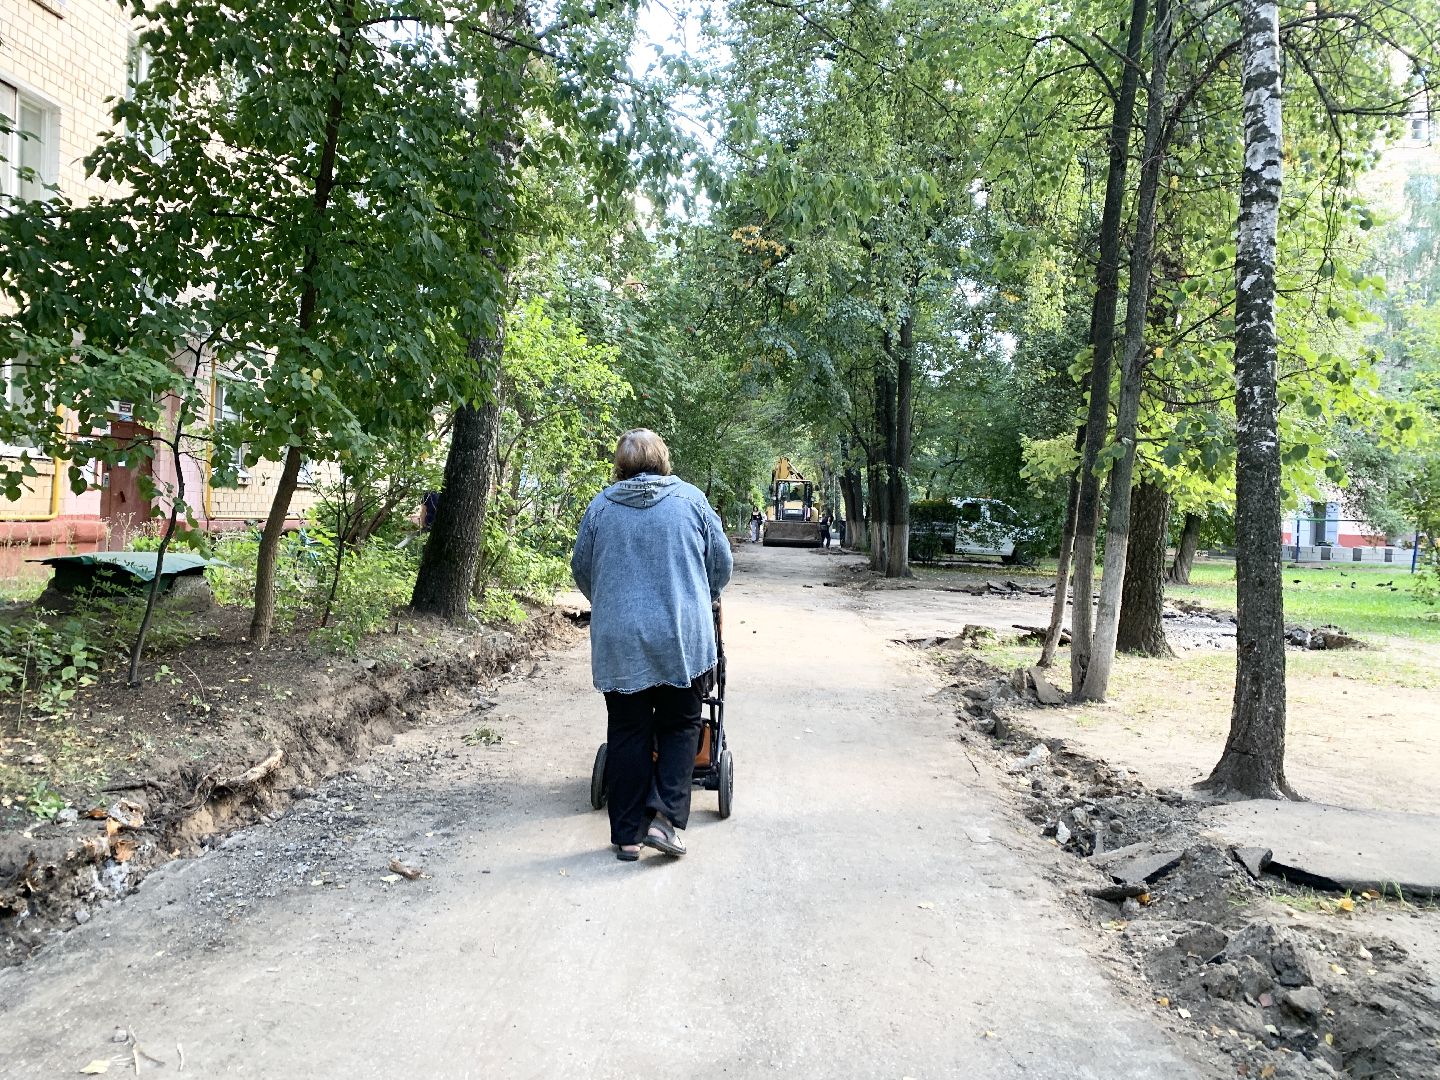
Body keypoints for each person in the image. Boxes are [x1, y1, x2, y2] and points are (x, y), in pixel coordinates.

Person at [571, 429, 733, 861]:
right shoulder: (693, 501)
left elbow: (582, 570)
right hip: (681, 638)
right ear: (663, 461)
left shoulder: (601, 508)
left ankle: (626, 837)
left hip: (621, 642)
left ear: (620, 467)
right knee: (681, 726)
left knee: (627, 732)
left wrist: (613, 603)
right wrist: (702, 593)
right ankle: (664, 821)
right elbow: (721, 566)